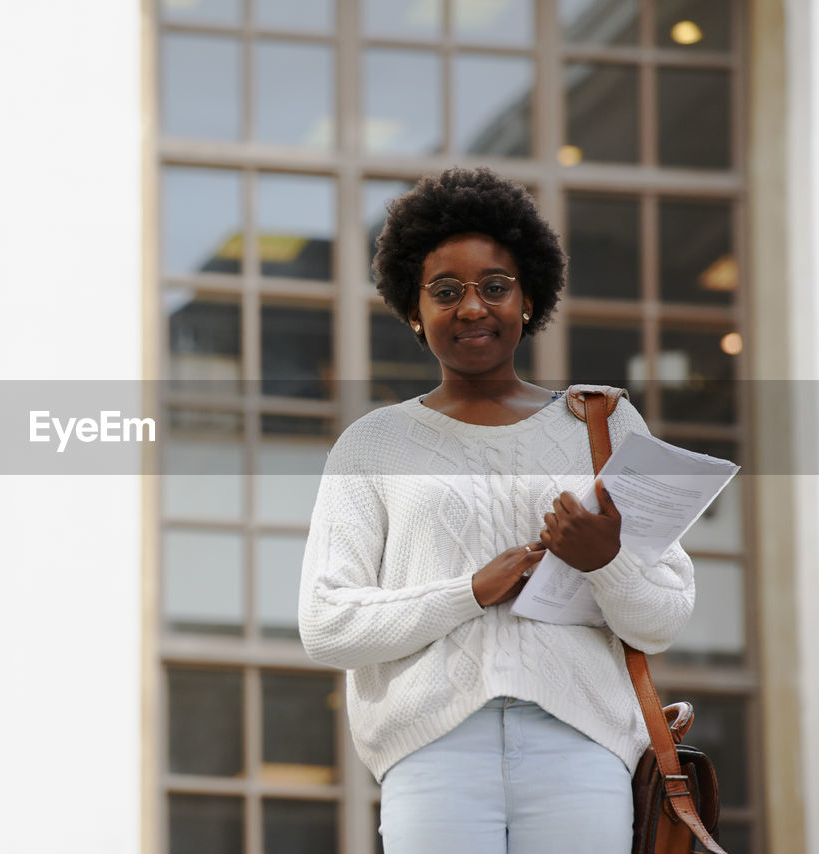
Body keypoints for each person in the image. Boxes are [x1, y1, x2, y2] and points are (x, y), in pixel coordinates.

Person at [297, 167, 694, 853]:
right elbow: (328, 625)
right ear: (412, 310)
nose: (472, 307)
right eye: (445, 292)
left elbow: (663, 619)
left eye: (495, 287)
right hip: (432, 752)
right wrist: (470, 591)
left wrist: (608, 563)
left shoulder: (602, 426)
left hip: (583, 746)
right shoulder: (372, 444)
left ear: (529, 299)